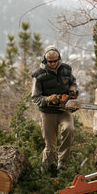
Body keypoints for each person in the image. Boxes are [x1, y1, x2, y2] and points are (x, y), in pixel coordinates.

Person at [31, 45, 78, 174]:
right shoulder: (38, 75)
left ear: (59, 59)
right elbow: (35, 98)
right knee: (50, 145)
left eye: (55, 61)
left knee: (69, 129)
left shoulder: (66, 70)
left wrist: (73, 90)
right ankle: (45, 169)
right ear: (45, 61)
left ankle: (62, 163)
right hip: (48, 113)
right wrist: (48, 99)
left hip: (64, 110)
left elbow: (73, 83)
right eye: (50, 61)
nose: (53, 63)